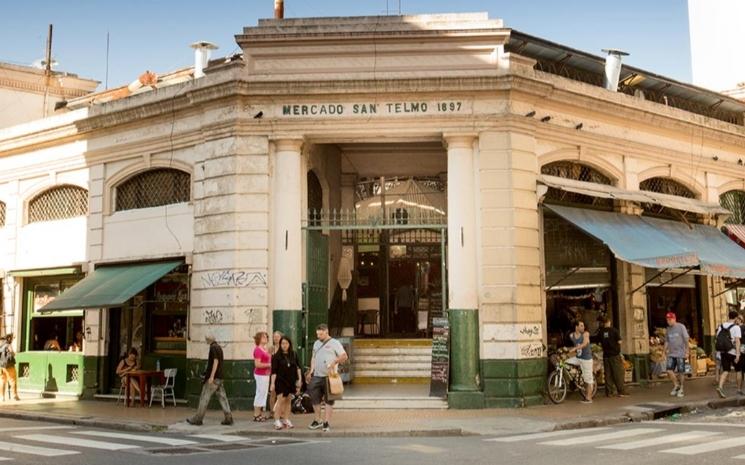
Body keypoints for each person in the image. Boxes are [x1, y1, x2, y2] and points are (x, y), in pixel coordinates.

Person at [307, 324, 347, 432]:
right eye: (317, 334)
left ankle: (326, 422)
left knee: (329, 400)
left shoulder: (335, 343)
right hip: (317, 375)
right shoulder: (316, 343)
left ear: (326, 332)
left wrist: (334, 362)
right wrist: (311, 370)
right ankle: (317, 419)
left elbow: (344, 356)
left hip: (329, 376)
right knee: (315, 398)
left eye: (320, 334)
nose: (318, 336)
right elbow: (313, 357)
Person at [187, 331, 233, 426]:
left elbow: (215, 362)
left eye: (206, 340)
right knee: (222, 397)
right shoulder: (219, 347)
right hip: (219, 377)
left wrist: (211, 376)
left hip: (214, 378)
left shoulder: (213, 348)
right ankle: (228, 417)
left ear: (208, 340)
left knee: (204, 397)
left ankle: (198, 418)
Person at [270, 336, 302, 430]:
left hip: (291, 380)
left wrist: (299, 380)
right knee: (280, 400)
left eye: (286, 343)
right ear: (280, 344)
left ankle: (286, 419)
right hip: (280, 380)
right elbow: (274, 372)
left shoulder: (294, 354)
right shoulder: (276, 356)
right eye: (282, 343)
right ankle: (276, 420)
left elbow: (298, 368)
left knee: (288, 400)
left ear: (289, 344)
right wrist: (272, 384)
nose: (284, 345)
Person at [566, 320, 594, 404]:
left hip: (586, 359)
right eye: (581, 325)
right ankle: (573, 378)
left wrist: (575, 349)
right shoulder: (571, 335)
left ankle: (588, 398)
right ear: (576, 327)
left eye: (583, 325)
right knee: (564, 363)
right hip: (578, 358)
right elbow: (574, 344)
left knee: (588, 379)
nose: (583, 327)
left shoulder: (586, 334)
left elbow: (585, 344)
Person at [599, 318, 628, 397]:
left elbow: (600, 342)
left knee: (608, 374)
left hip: (606, 355)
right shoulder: (614, 331)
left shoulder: (601, 332)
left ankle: (609, 392)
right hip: (614, 355)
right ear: (609, 322)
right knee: (618, 373)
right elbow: (619, 341)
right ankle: (621, 391)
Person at [715, 310, 742, 398]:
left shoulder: (721, 326)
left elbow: (717, 338)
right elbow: (737, 342)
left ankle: (720, 387)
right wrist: (738, 355)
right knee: (738, 370)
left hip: (723, 352)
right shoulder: (736, 327)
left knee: (726, 370)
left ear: (729, 316)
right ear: (736, 318)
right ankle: (738, 390)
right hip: (733, 352)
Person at [664, 312, 689, 398]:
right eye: (667, 319)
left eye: (670, 319)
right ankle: (676, 385)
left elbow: (686, 339)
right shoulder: (668, 329)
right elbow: (667, 340)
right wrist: (664, 350)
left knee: (681, 372)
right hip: (671, 353)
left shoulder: (681, 327)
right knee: (669, 370)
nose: (668, 321)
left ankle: (681, 388)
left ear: (674, 319)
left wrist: (687, 351)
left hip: (680, 353)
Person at [252, 331, 272, 422]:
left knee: (263, 393)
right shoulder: (258, 350)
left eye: (266, 337)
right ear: (259, 339)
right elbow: (257, 364)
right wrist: (269, 365)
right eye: (263, 337)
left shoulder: (264, 349)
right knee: (260, 393)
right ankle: (256, 414)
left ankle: (259, 413)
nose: (266, 338)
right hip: (260, 374)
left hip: (265, 374)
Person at [0, 334, 20, 401]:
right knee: (12, 380)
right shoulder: (8, 345)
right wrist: (14, 353)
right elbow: (12, 353)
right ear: (9, 339)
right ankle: (15, 395)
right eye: (12, 338)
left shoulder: (1, 345)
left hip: (1, 366)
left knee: (2, 381)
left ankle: (2, 397)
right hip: (9, 366)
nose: (12, 340)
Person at [268, 330, 283, 418]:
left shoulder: (283, 348)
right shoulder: (271, 349)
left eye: (277, 337)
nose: (276, 339)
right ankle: (272, 412)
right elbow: (268, 359)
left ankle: (280, 412)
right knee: (273, 393)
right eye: (274, 337)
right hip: (273, 372)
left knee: (281, 394)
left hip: (282, 373)